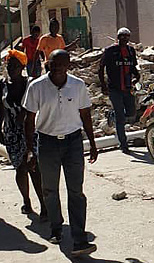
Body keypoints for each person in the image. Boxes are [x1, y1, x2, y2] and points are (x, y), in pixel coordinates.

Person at [23, 49, 98, 257]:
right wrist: (30, 150)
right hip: (47, 143)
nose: (57, 67)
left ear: (69, 65)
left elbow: (85, 114)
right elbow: (29, 119)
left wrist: (92, 142)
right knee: (50, 190)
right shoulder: (36, 86)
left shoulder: (78, 85)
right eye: (53, 63)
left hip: (73, 143)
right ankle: (56, 228)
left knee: (76, 191)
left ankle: (79, 238)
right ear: (48, 63)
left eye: (62, 64)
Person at [0, 49, 46, 220]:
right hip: (12, 133)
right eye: (9, 65)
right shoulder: (1, 85)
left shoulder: (31, 83)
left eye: (16, 65)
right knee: (20, 167)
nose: (11, 68)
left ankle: (44, 205)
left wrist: (23, 117)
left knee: (35, 167)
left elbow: (37, 105)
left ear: (22, 66)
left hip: (30, 130)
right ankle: (27, 201)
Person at [98, 28, 140, 154]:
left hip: (127, 88)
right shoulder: (110, 51)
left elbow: (133, 67)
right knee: (121, 118)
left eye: (127, 36)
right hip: (114, 89)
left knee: (131, 113)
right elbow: (100, 68)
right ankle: (124, 144)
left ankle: (112, 115)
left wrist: (137, 77)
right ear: (118, 37)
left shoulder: (131, 51)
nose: (124, 39)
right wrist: (103, 85)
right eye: (122, 36)